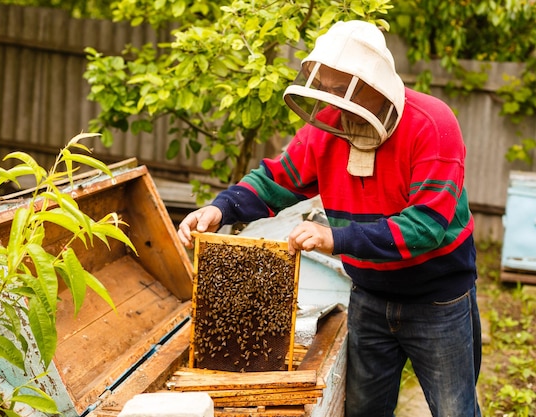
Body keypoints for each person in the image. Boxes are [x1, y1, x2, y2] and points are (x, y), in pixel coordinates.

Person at [178, 20, 482, 417]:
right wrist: (221, 207)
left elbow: (425, 226)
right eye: (326, 88)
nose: (331, 100)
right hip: (369, 297)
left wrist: (333, 238)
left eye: (341, 90)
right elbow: (276, 179)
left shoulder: (432, 124)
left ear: (373, 86)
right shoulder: (327, 129)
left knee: (454, 411)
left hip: (437, 299)